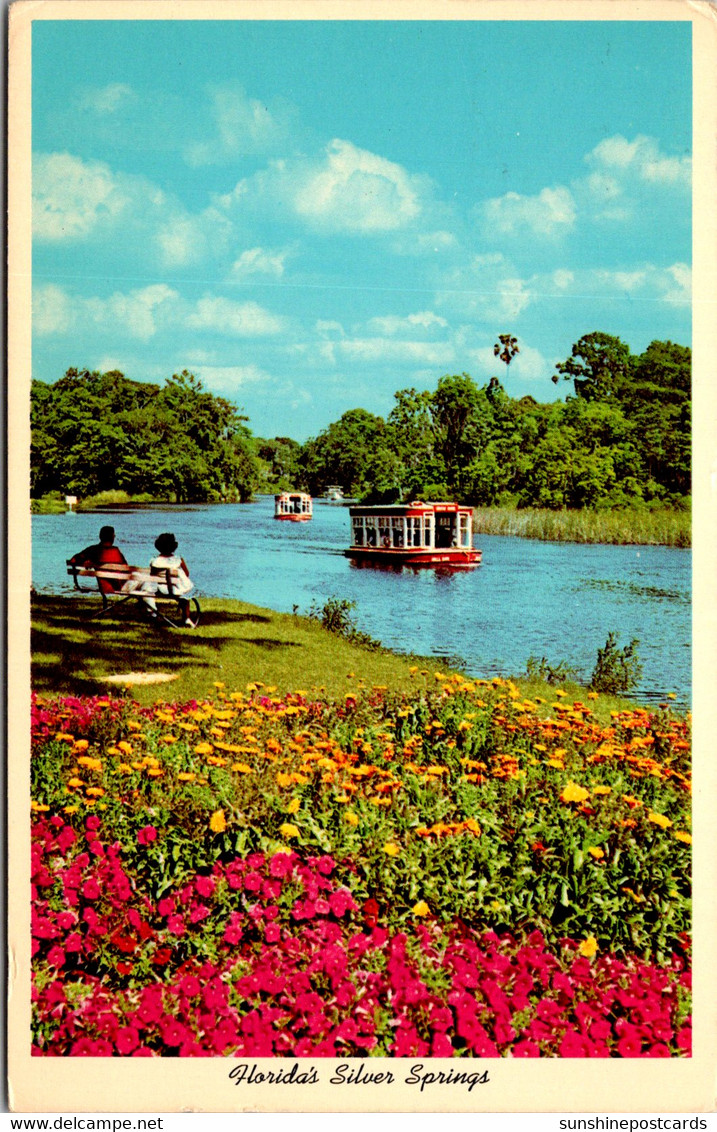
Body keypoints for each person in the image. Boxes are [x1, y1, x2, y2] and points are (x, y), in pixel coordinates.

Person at [138, 532, 196, 627]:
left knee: (148, 588)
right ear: (173, 547)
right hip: (175, 589)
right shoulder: (178, 560)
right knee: (185, 598)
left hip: (159, 589)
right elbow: (187, 574)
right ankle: (186, 618)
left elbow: (152, 575)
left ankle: (153, 612)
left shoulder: (155, 561)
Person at [69, 526, 128, 595]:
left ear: (100, 537)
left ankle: (141, 604)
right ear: (112, 537)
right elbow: (126, 569)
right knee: (142, 581)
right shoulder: (116, 551)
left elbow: (73, 560)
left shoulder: (93, 550)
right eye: (114, 535)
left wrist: (86, 562)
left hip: (105, 588)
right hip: (121, 587)